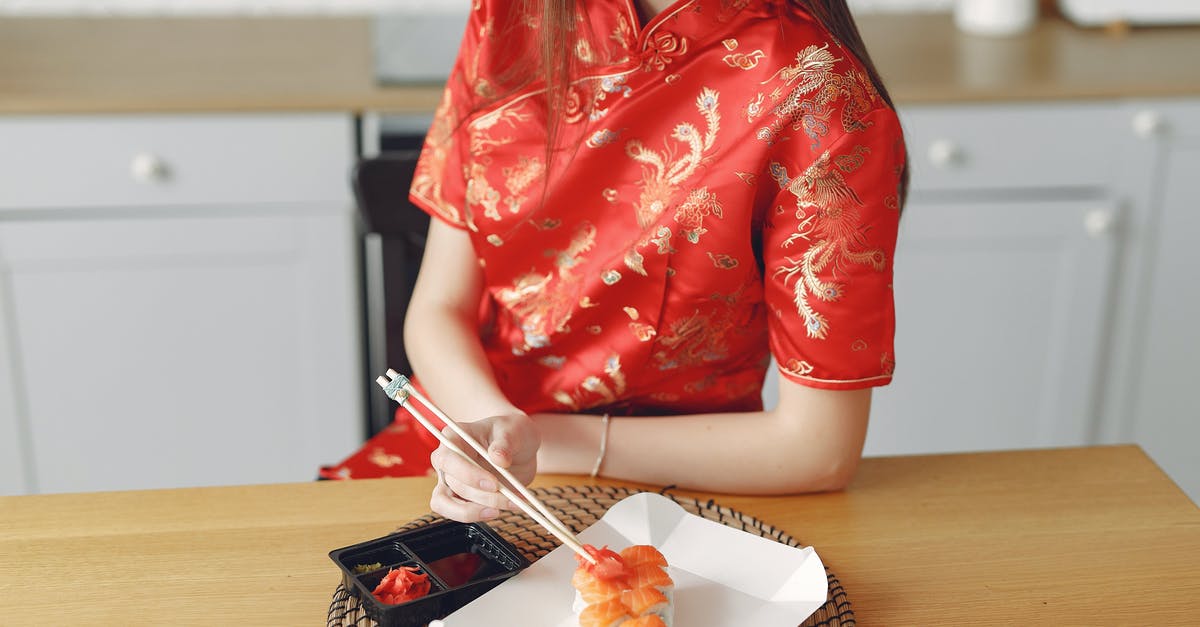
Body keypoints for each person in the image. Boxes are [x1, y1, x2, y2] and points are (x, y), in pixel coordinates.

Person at [349, 0, 907, 522]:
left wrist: (539, 440)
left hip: (681, 486)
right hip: (464, 444)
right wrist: (491, 429)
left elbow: (819, 450)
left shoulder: (820, 94)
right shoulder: (511, 14)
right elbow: (439, 307)